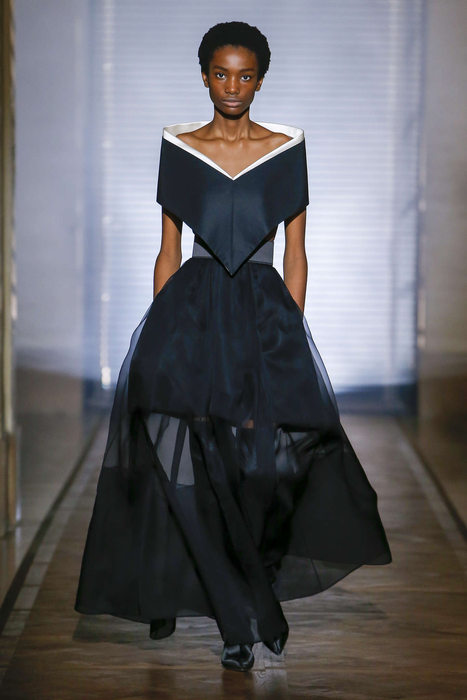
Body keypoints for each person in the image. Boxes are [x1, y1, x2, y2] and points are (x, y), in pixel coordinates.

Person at [74, 20, 392, 672]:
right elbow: (168, 251)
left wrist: (288, 336)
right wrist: (160, 336)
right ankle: (239, 622)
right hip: (191, 317)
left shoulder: (285, 149)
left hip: (262, 317)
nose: (232, 86)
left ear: (260, 80)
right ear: (204, 76)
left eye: (244, 75)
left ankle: (240, 589)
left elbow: (296, 254)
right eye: (221, 73)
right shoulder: (180, 148)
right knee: (188, 466)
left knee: (265, 472)